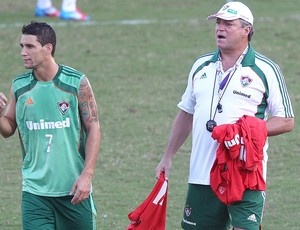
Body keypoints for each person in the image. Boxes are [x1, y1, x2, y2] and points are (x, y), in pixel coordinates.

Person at [155, 1, 294, 230]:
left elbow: (286, 120)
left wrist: (248, 131)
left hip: (245, 174)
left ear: (246, 30)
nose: (220, 28)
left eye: (229, 24)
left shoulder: (266, 69)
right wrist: (167, 156)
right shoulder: (201, 66)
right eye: (218, 23)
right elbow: (186, 113)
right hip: (202, 173)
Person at [0, 21, 100, 230]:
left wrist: (87, 175)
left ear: (48, 48)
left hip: (73, 191)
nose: (23, 53)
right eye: (22, 47)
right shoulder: (20, 86)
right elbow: (8, 128)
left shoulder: (76, 83)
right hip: (34, 192)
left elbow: (93, 128)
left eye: (30, 47)